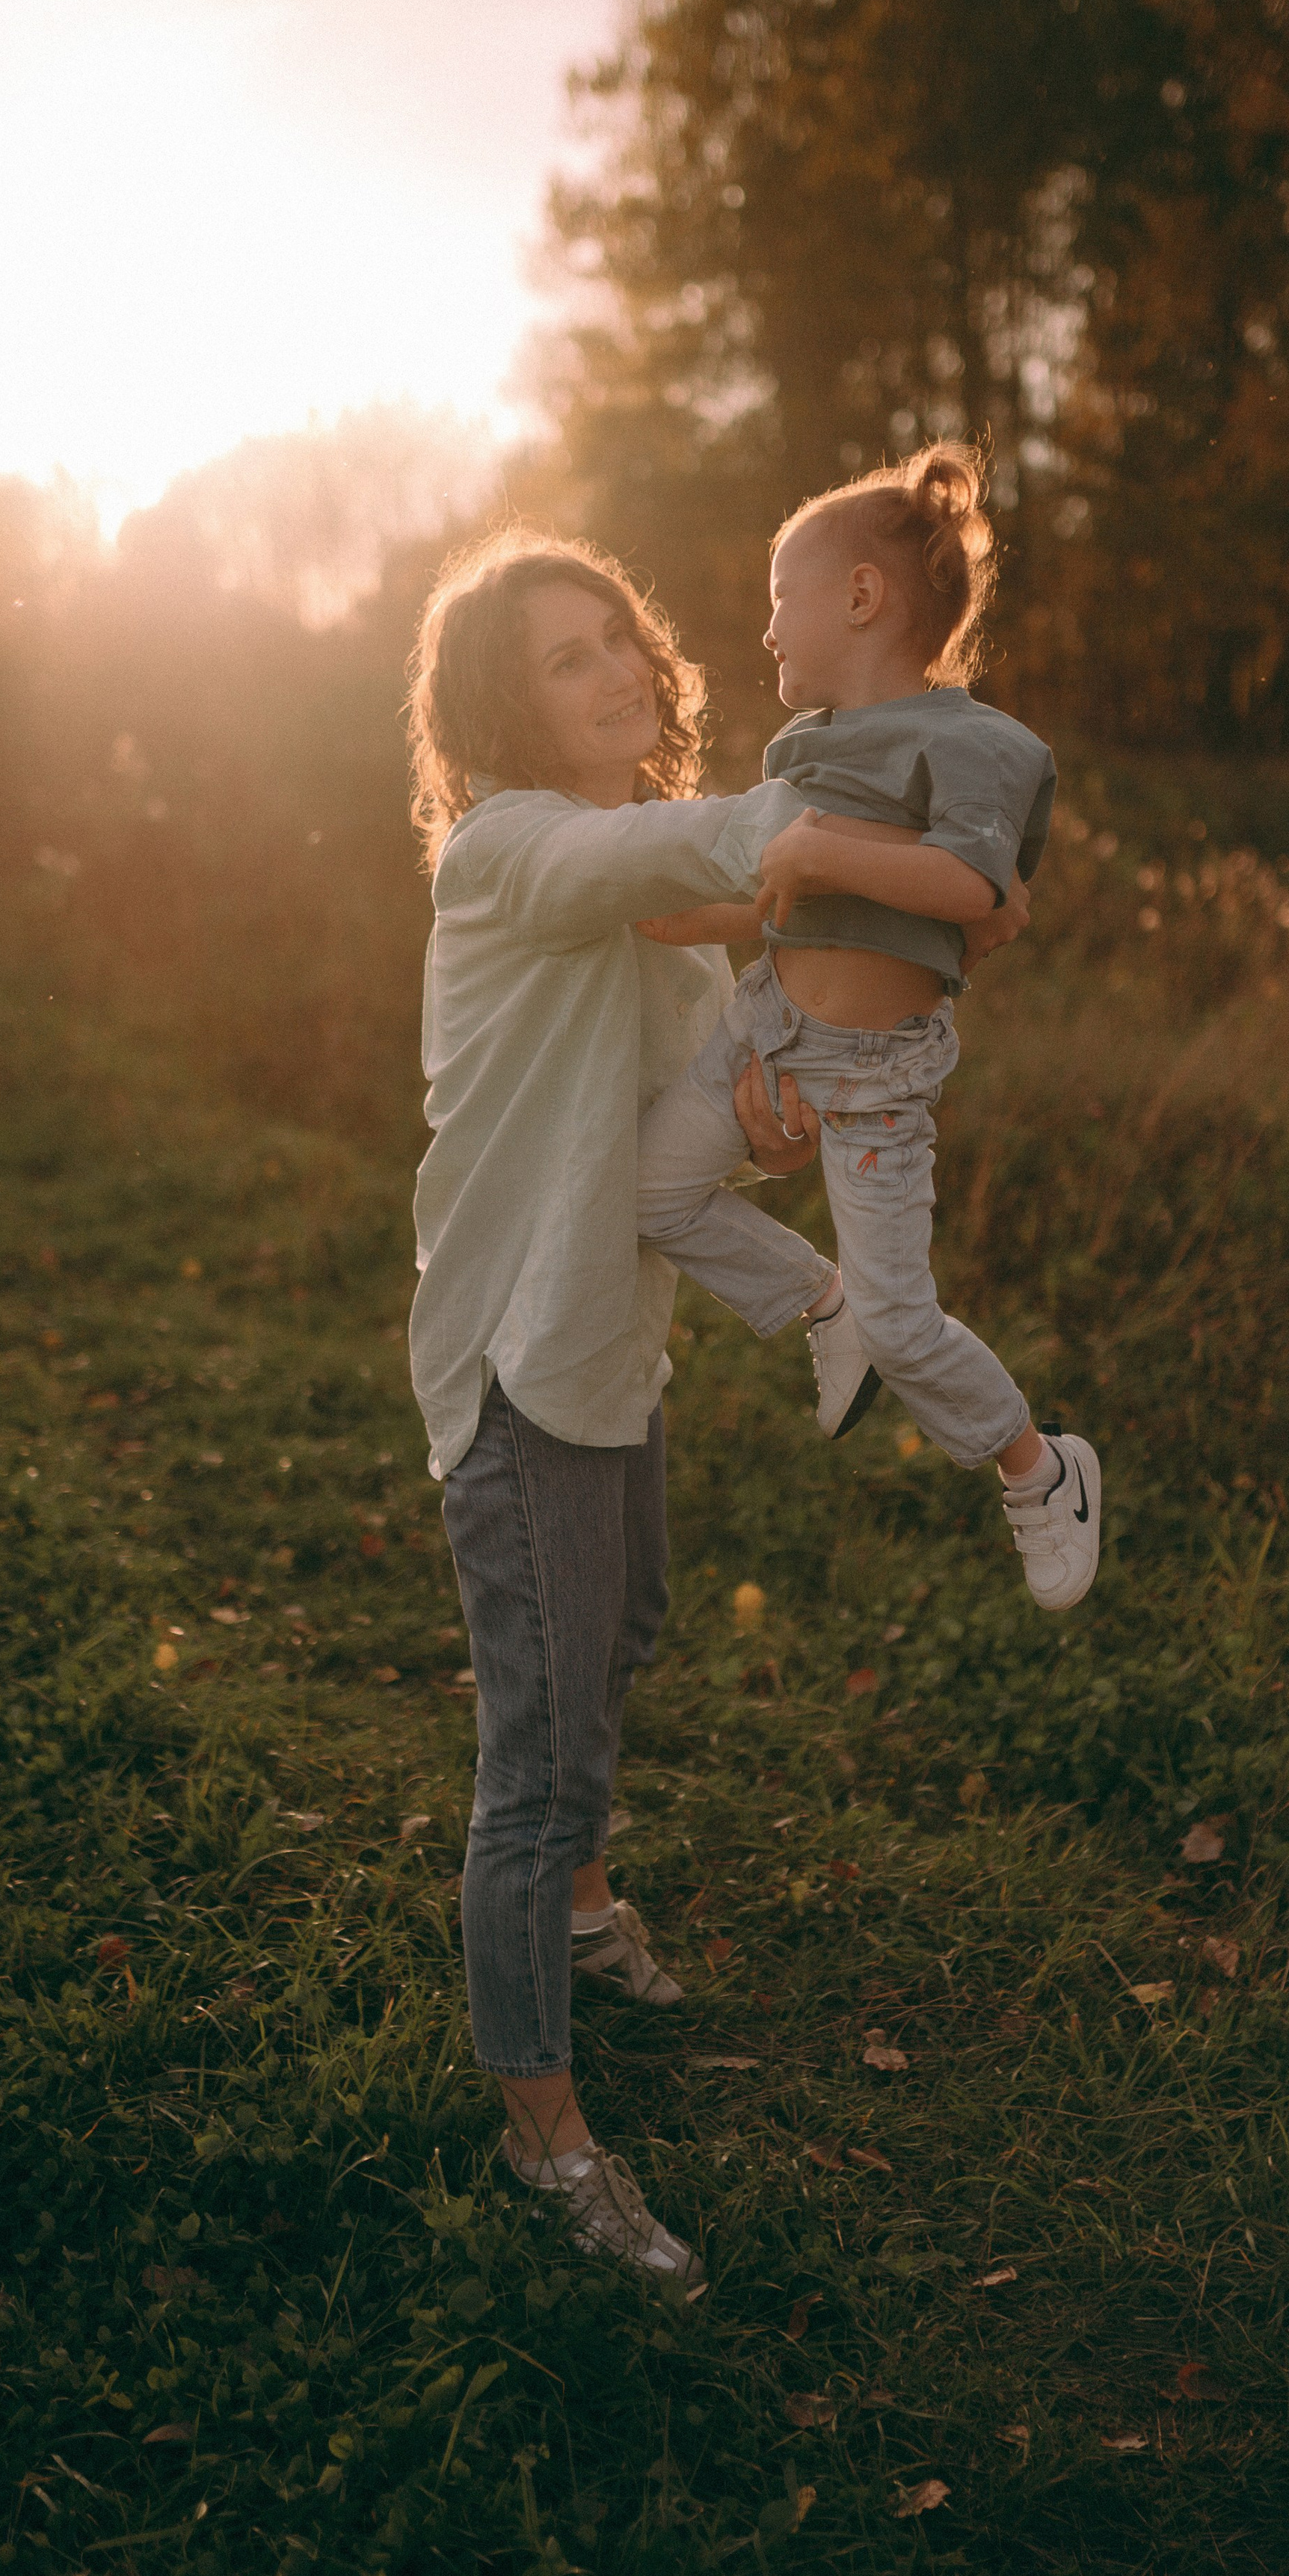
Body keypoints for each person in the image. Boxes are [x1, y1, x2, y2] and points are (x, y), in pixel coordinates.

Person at [402, 529, 1025, 2293]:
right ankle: (546, 2139)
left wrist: (762, 1114)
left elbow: (716, 1020)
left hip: (616, 1333)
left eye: (616, 639)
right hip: (519, 1348)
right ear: (495, 710)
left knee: (630, 1629)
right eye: (559, 658)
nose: (610, 672)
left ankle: (585, 1918)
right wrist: (949, 850)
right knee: (531, 1756)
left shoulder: (645, 908)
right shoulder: (510, 852)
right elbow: (717, 845)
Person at [633, 442, 1101, 1613]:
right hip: (765, 1023)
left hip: (876, 1079)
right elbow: (795, 897)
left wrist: (816, 848)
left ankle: (1040, 1471)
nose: (768, 631)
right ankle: (814, 1299)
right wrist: (660, 904)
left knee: (908, 1326)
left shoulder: (973, 744)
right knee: (649, 1193)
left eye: (780, 598)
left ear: (860, 596)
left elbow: (979, 892)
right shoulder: (804, 749)